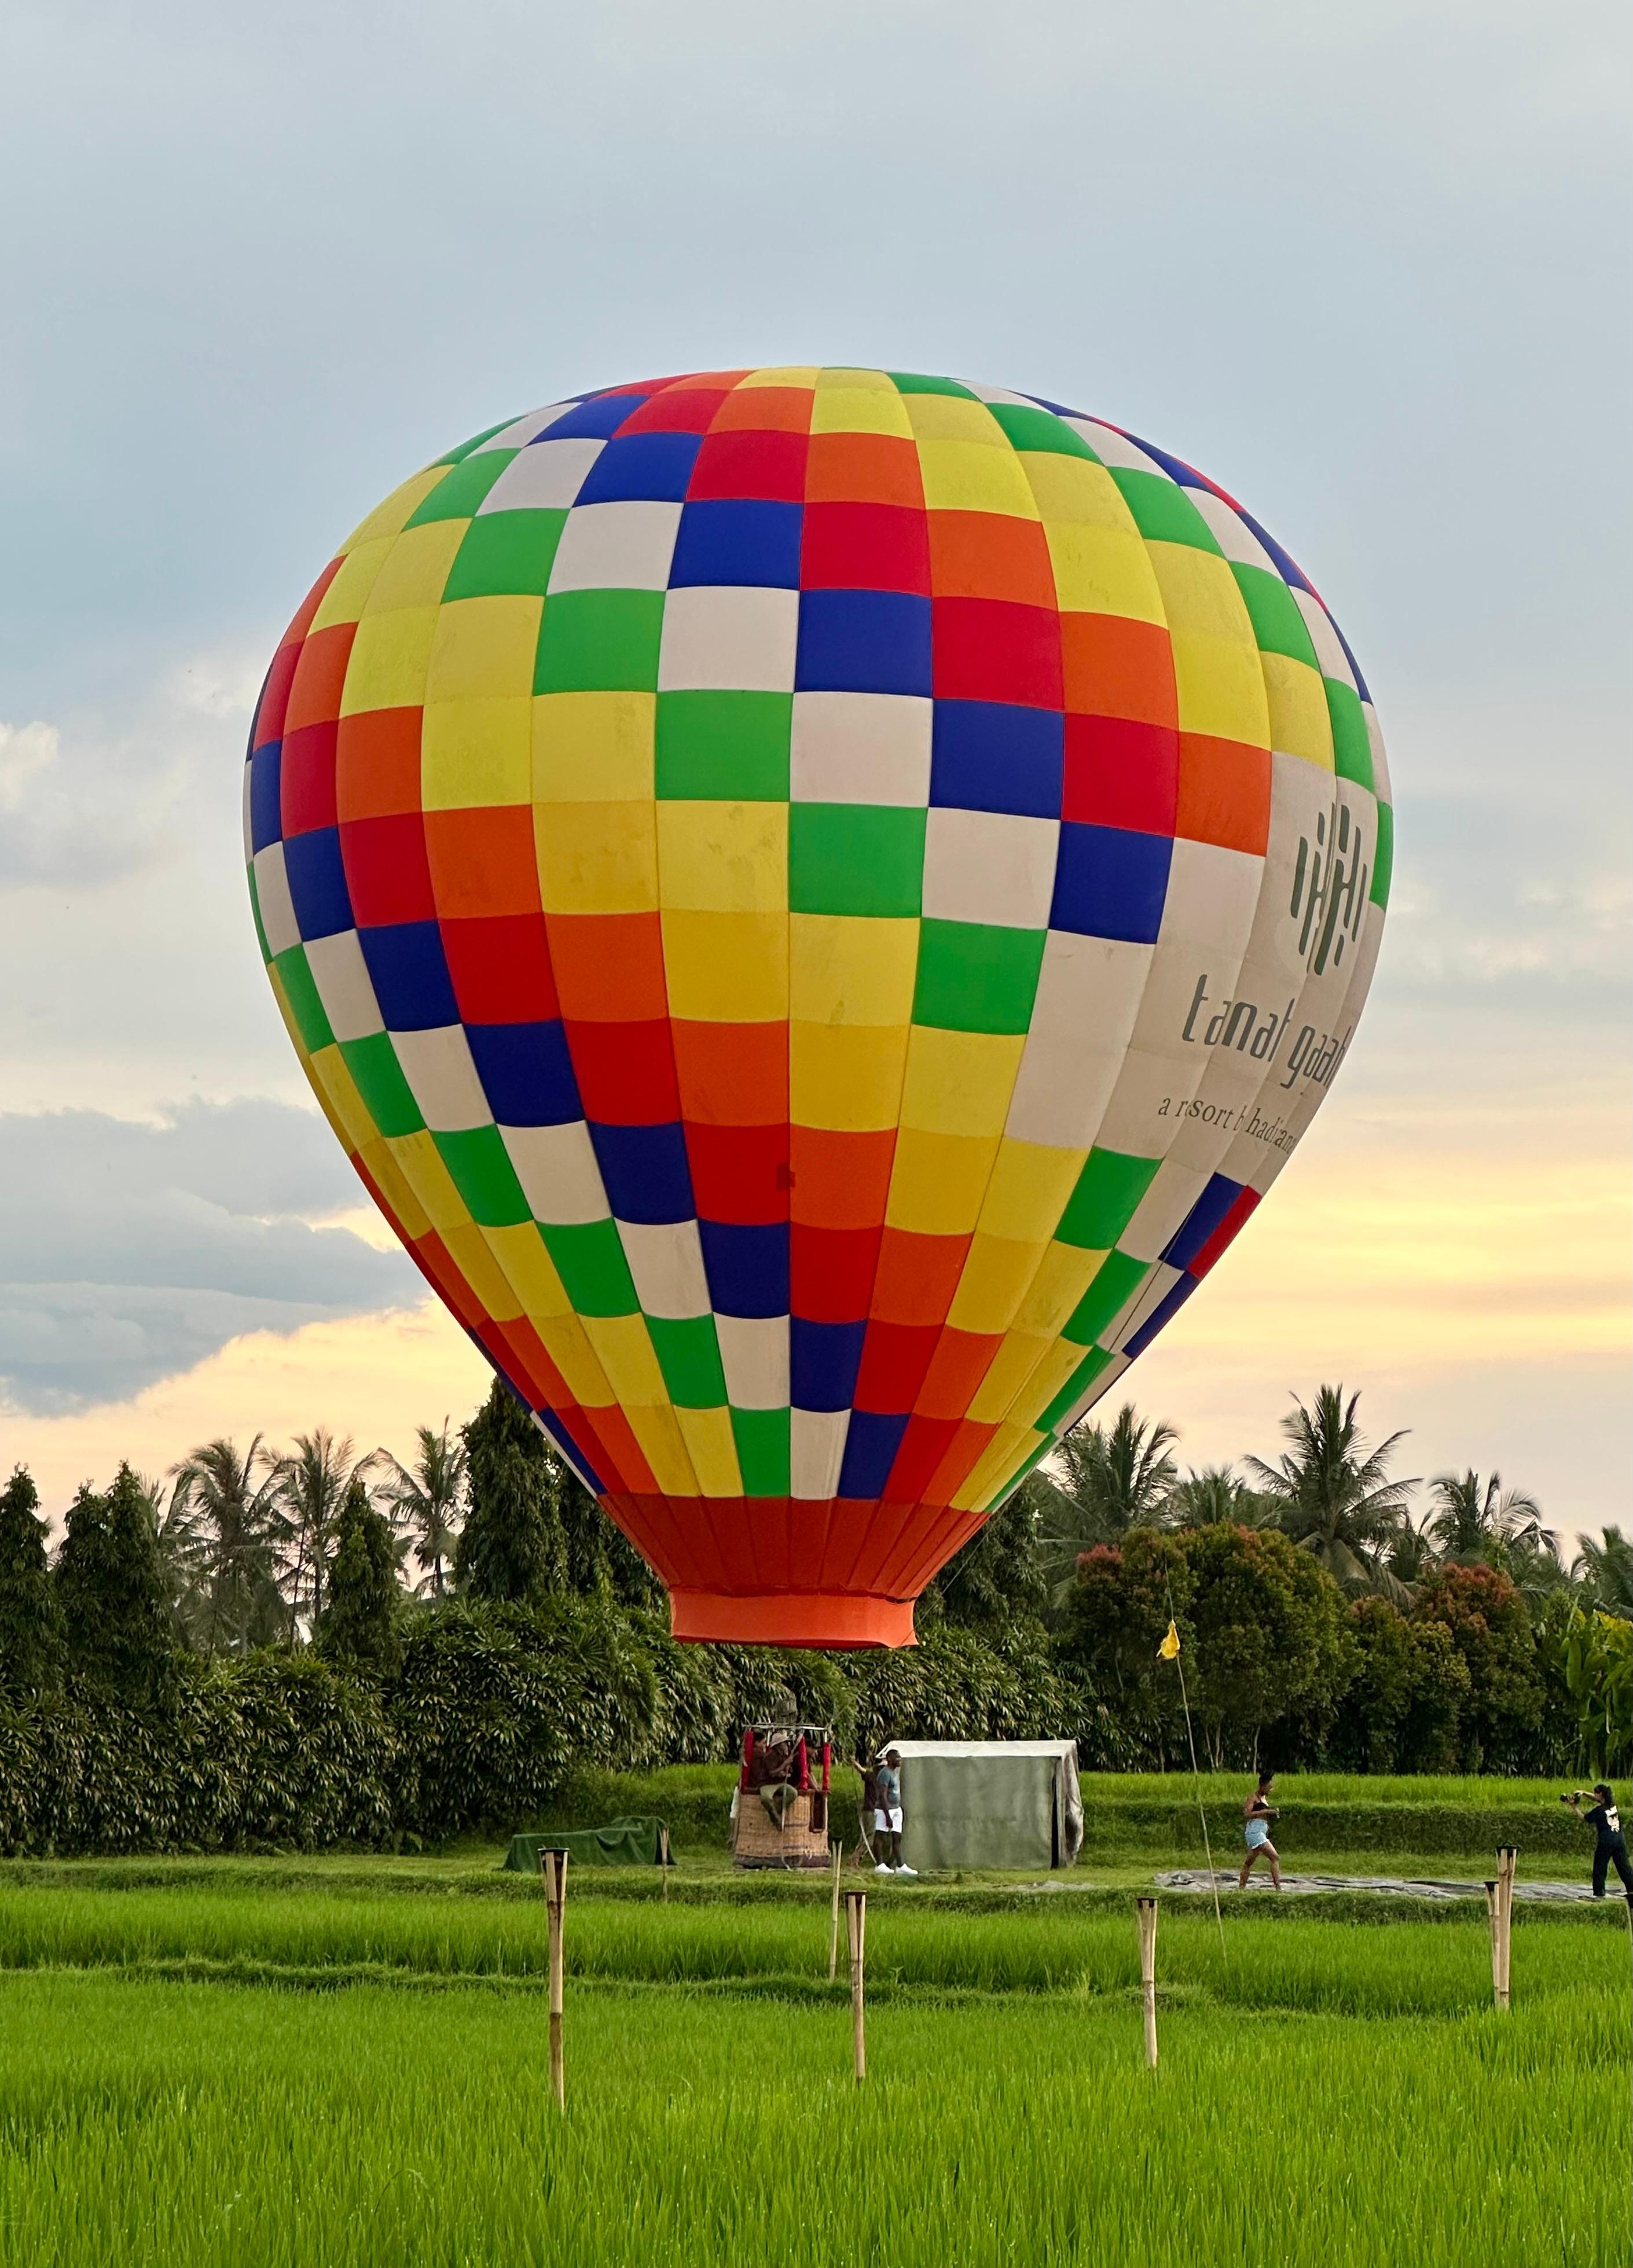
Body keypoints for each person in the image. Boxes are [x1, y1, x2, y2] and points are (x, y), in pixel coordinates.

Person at [1563, 1783, 1633, 1898]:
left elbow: (1585, 1818)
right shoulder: (1612, 1806)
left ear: (1600, 1794)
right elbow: (1597, 1799)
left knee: (1600, 1868)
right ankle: (1632, 1890)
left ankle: (1599, 1894)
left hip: (1607, 1840)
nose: (1594, 1796)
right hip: (1619, 1839)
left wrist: (1574, 1807)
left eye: (1596, 1793)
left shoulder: (1599, 1811)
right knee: (1624, 1867)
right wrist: (1584, 1793)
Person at [873, 1745, 916, 1877]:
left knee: (897, 1836)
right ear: (889, 1759)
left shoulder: (895, 1772)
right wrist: (887, 1816)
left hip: (896, 1809)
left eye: (900, 1757)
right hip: (884, 1810)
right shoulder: (885, 1773)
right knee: (880, 1834)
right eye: (897, 1758)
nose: (900, 1760)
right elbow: (882, 1796)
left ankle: (900, 1865)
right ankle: (879, 1865)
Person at [1237, 1770, 1282, 1891]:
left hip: (1260, 1831)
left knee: (1248, 1863)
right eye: (1269, 1787)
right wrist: (1266, 1812)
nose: (1270, 1789)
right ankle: (1278, 1887)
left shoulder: (1264, 1798)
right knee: (1275, 1857)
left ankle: (1241, 1888)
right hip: (1255, 1832)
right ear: (1263, 1785)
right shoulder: (1253, 1797)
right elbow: (1247, 1814)